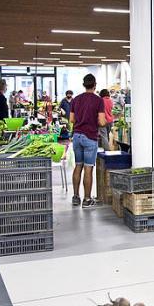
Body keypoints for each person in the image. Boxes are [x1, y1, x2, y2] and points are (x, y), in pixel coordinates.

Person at [69, 74, 107, 208]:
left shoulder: (76, 99)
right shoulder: (98, 101)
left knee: (78, 166)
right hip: (90, 137)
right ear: (95, 85)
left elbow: (72, 120)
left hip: (77, 136)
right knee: (88, 168)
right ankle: (86, 199)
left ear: (84, 84)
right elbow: (102, 121)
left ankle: (75, 197)